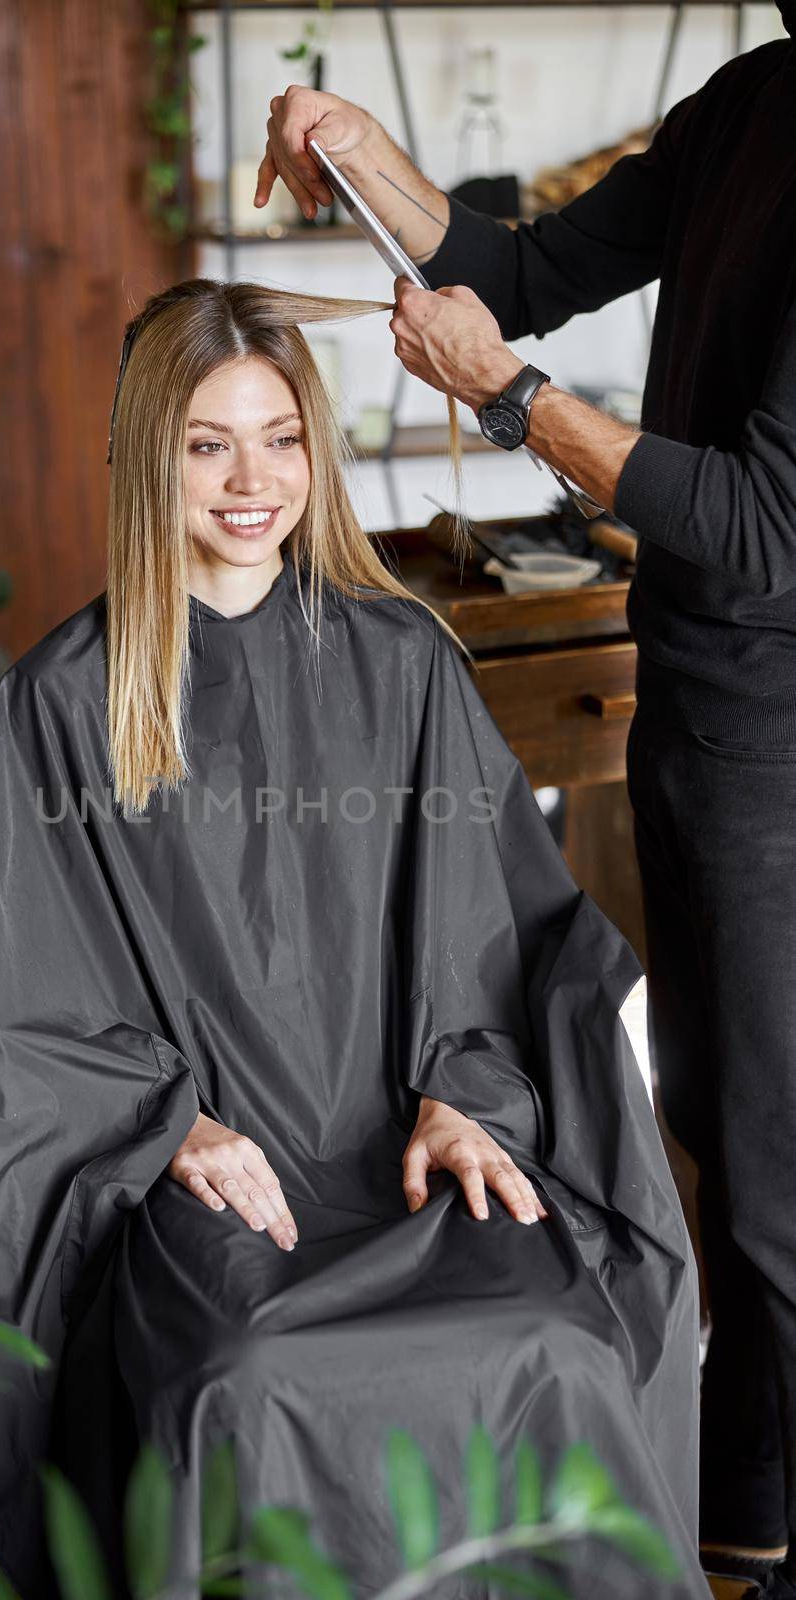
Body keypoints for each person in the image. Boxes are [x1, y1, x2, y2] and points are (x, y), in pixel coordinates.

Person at [0, 277, 711, 1600]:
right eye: (207, 442)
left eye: (279, 436)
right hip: (206, 1175)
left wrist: (466, 1094)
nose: (249, 478)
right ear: (142, 452)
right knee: (245, 1380)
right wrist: (174, 1131)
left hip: (404, 1151)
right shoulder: (61, 703)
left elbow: (501, 927)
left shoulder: (405, 661)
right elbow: (29, 1011)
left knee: (558, 1341)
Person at [253, 17, 796, 1597]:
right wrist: (365, 157)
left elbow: (764, 524)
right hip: (698, 687)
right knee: (714, 1136)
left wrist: (509, 399)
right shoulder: (758, 100)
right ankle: (743, 1519)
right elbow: (524, 259)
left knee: (777, 1183)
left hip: (783, 723)